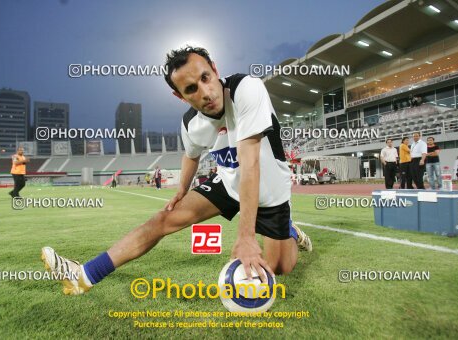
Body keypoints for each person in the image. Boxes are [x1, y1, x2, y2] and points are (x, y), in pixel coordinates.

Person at [41, 46, 312, 295]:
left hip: (267, 189)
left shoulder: (247, 89)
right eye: (191, 88)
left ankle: (289, 229)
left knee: (279, 268)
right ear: (179, 96)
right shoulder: (190, 123)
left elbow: (251, 164)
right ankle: (83, 275)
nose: (205, 92)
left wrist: (246, 237)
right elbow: (191, 155)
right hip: (228, 182)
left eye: (206, 78)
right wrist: (182, 189)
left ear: (215, 69)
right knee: (163, 219)